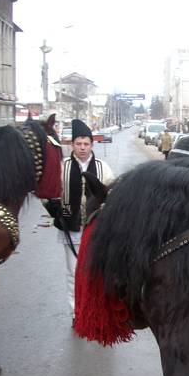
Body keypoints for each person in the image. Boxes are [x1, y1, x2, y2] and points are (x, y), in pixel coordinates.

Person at [58, 119, 114, 320]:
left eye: (86, 144)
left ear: (92, 145)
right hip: (70, 227)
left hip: (95, 228)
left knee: (95, 271)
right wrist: (56, 213)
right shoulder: (62, 167)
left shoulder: (102, 167)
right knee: (73, 272)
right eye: (78, 144)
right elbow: (50, 195)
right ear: (72, 145)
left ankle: (95, 310)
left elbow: (111, 195)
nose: (82, 148)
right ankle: (77, 312)